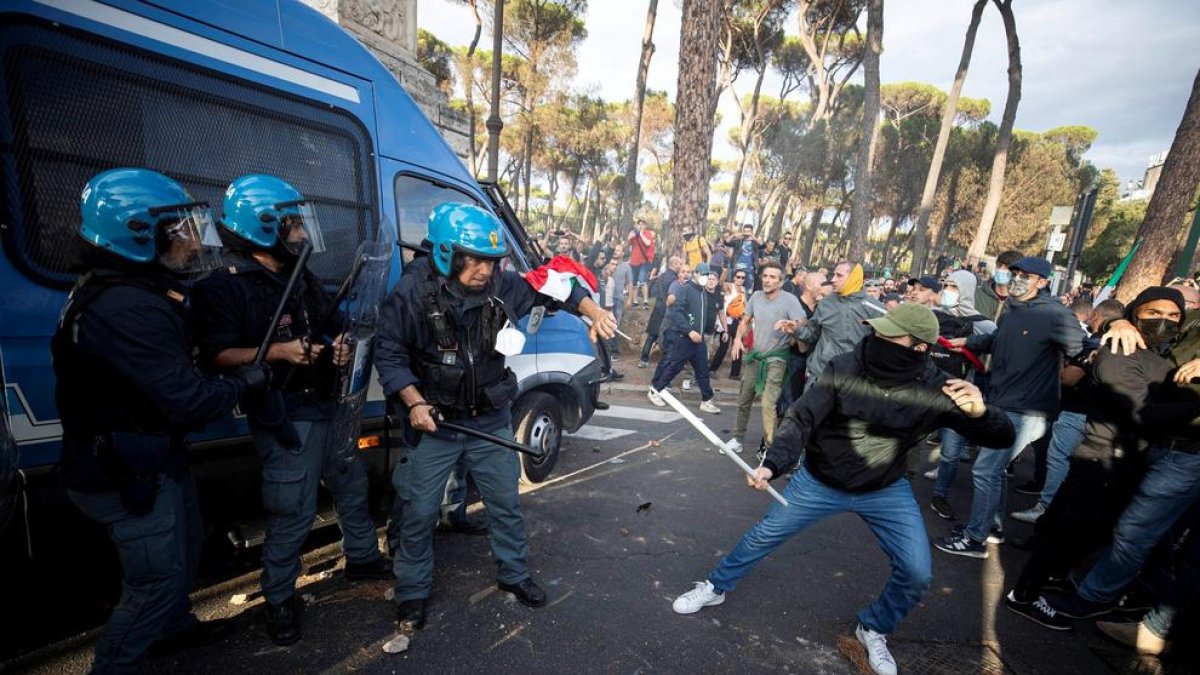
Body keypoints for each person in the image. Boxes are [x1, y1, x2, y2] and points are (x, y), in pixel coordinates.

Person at [671, 303, 1014, 675]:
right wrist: (773, 464)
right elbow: (802, 418)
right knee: (762, 536)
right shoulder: (845, 366)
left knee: (917, 572)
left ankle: (874, 627)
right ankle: (716, 586)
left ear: (918, 347)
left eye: (888, 334)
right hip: (820, 480)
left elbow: (1000, 437)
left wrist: (982, 414)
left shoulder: (939, 386)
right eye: (877, 331)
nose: (877, 338)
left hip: (885, 488)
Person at [54, 168, 269, 673]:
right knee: (153, 582)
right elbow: (189, 400)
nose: (194, 244)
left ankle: (174, 629)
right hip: (127, 470)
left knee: (185, 548)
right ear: (137, 233)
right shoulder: (126, 306)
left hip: (152, 455)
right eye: (182, 231)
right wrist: (245, 381)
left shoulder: (132, 290)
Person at [374, 202, 616, 630]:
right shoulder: (411, 294)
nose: (487, 270)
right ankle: (411, 592)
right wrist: (414, 403)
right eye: (478, 261)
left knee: (505, 504)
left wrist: (594, 312)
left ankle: (514, 574)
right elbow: (389, 355)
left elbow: (556, 287)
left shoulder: (503, 286)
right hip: (438, 425)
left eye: (493, 260)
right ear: (448, 253)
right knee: (419, 512)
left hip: (489, 420)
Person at [192, 175, 392, 645]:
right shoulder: (224, 285)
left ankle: (362, 557)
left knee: (350, 480)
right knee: (292, 508)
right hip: (285, 411)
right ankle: (279, 597)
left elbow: (329, 321)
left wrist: (339, 343)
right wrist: (279, 353)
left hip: (327, 400)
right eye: (293, 223)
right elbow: (213, 355)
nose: (303, 232)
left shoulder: (297, 273)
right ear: (265, 227)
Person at [1000, 288, 1187, 630]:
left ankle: (1049, 578)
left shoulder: (1152, 352)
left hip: (1120, 462)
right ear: (1136, 313)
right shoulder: (1118, 351)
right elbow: (1141, 414)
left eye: (1174, 315)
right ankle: (1024, 595)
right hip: (1102, 460)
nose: (1164, 321)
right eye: (1154, 312)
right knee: (1070, 532)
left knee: (1089, 530)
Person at [936, 257, 1086, 558]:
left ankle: (975, 538)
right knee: (995, 470)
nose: (1014, 278)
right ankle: (991, 528)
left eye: (1024, 275)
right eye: (1013, 272)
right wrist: (966, 340)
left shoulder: (1055, 314)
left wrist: (1119, 325)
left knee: (985, 470)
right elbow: (996, 340)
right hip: (1004, 401)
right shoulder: (1014, 311)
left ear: (1042, 282)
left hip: (1027, 409)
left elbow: (1082, 348)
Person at [1008, 300, 1124, 526]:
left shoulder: (1095, 344)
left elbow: (1069, 378)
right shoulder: (1120, 343)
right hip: (1095, 415)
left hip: (1076, 410)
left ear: (1097, 317)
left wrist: (1057, 359)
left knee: (1059, 460)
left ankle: (1046, 508)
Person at [727, 262, 806, 453]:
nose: (768, 280)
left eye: (772, 277)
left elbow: (803, 324)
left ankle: (770, 449)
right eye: (765, 276)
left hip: (778, 358)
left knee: (768, 402)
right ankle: (737, 439)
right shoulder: (755, 296)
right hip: (756, 356)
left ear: (780, 281)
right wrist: (738, 339)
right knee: (744, 398)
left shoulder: (790, 300)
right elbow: (745, 321)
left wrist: (792, 326)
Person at [790, 261, 884, 390]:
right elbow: (812, 335)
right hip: (820, 374)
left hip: (853, 379)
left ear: (854, 277)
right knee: (807, 410)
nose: (833, 280)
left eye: (839, 276)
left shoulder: (875, 309)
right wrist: (796, 330)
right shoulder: (825, 303)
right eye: (833, 275)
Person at [648, 263, 723, 414]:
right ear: (696, 274)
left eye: (707, 275)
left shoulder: (703, 293)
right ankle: (655, 391)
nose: (705, 277)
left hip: (699, 339)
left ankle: (706, 400)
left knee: (702, 370)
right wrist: (689, 331)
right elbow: (676, 312)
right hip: (685, 338)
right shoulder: (686, 289)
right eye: (702, 274)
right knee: (674, 366)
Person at [638, 256, 681, 368]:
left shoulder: (661, 276)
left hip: (657, 308)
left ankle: (643, 360)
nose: (680, 267)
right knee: (666, 338)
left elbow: (656, 292)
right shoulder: (675, 279)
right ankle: (664, 362)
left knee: (651, 336)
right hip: (667, 311)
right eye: (679, 264)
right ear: (674, 264)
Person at [709, 268, 748, 378]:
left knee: (738, 346)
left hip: (737, 321)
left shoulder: (743, 289)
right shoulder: (728, 286)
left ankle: (735, 373)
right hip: (726, 321)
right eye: (738, 277)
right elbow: (720, 284)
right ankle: (712, 370)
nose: (740, 279)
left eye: (743, 277)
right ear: (734, 277)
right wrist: (725, 272)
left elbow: (745, 304)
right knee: (723, 347)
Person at [974, 249, 1022, 322]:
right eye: (999, 265)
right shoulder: (978, 292)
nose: (1000, 269)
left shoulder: (1019, 303)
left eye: (1007, 267)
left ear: (1016, 273)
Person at [628, 219, 656, 309]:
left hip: (644, 261)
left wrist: (640, 234)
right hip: (633, 261)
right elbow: (629, 240)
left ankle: (645, 301)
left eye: (642, 224)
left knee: (642, 280)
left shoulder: (648, 234)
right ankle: (635, 301)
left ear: (645, 226)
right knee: (634, 282)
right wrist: (633, 234)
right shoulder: (634, 233)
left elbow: (648, 243)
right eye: (639, 224)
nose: (640, 226)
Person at [733, 224, 759, 291]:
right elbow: (726, 242)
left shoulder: (755, 242)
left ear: (752, 232)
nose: (747, 233)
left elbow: (763, 245)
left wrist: (753, 238)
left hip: (750, 270)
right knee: (735, 289)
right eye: (745, 231)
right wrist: (733, 235)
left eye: (748, 231)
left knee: (747, 290)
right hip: (738, 268)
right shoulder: (739, 241)